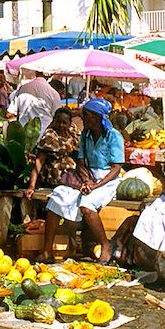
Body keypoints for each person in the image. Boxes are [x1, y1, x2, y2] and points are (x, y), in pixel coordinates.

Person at [40, 98, 124, 263]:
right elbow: (81, 161)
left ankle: (105, 245)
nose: (82, 118)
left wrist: (95, 185)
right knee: (56, 197)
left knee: (87, 205)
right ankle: (46, 251)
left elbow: (116, 168)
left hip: (107, 180)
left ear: (96, 117)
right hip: (87, 177)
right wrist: (86, 181)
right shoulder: (85, 134)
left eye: (86, 115)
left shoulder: (113, 136)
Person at [24, 108, 80, 199]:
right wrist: (32, 186)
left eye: (64, 123)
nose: (61, 125)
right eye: (58, 122)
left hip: (73, 174)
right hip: (56, 177)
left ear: (69, 123)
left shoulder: (73, 133)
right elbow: (39, 161)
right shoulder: (49, 137)